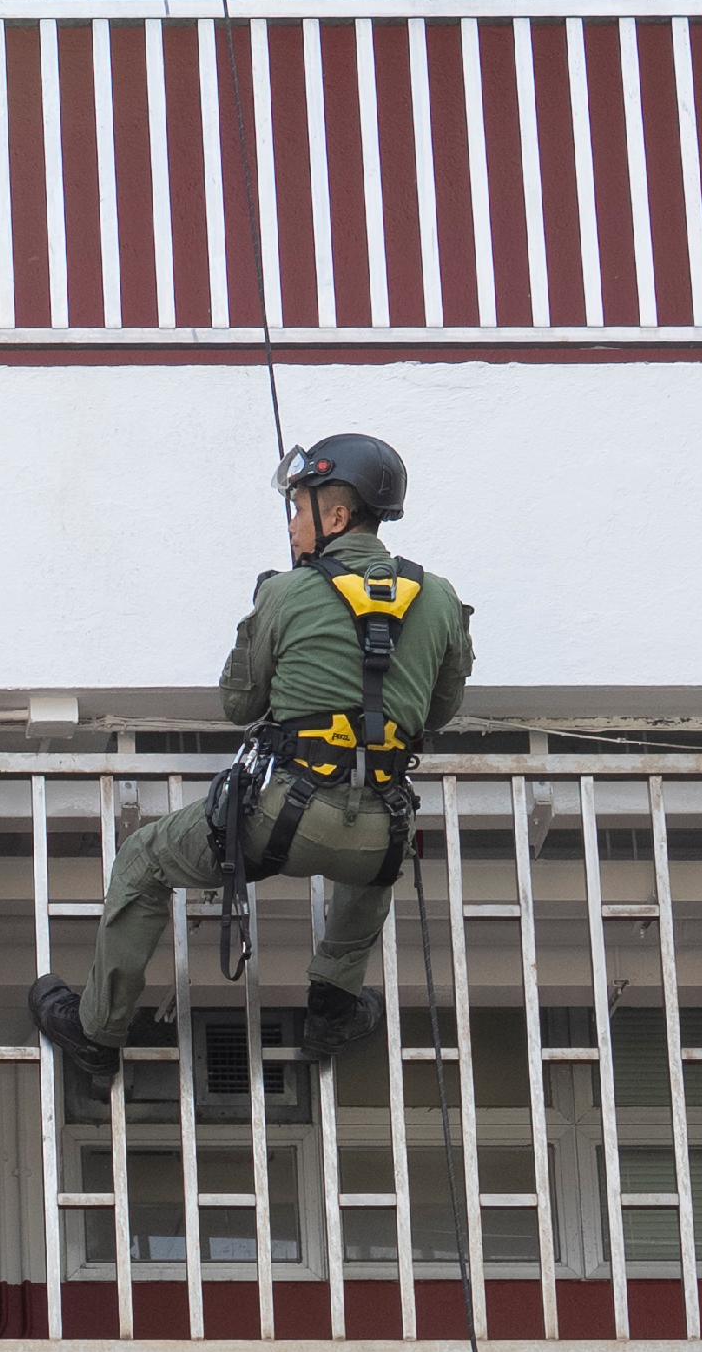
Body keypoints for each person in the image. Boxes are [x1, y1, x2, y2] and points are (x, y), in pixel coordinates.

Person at [28, 433, 476, 1086]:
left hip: (282, 818)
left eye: (298, 507)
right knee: (374, 857)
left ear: (336, 517)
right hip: (381, 830)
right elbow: (438, 713)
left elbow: (239, 702)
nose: (293, 523)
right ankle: (330, 1008)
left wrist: (258, 618)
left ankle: (98, 1032)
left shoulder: (288, 594)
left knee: (145, 860)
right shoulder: (437, 598)